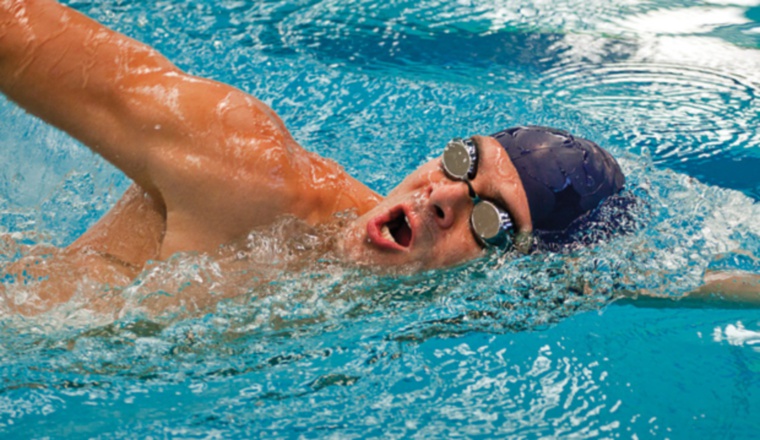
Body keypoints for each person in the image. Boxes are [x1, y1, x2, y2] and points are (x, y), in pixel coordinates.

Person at [0, 0, 757, 314]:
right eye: (464, 162)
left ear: (517, 273)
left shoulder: (447, 304)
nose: (443, 198)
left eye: (490, 220)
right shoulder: (242, 165)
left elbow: (663, 285)